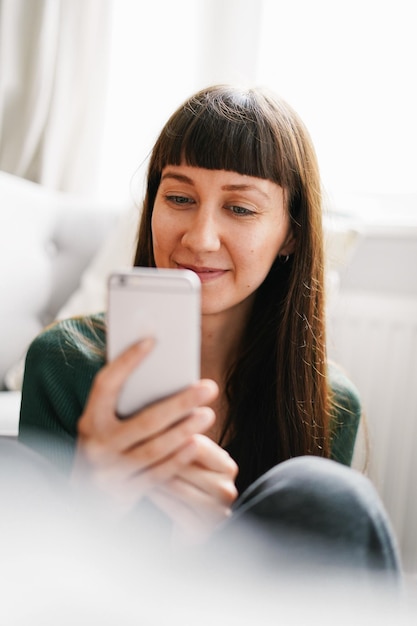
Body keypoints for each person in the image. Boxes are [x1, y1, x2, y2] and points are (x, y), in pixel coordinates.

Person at [18, 85, 400, 577]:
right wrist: (91, 498)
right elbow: (38, 579)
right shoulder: (63, 363)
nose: (199, 238)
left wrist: (219, 548)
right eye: (178, 197)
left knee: (330, 493)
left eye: (240, 208)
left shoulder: (329, 401)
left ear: (291, 234)